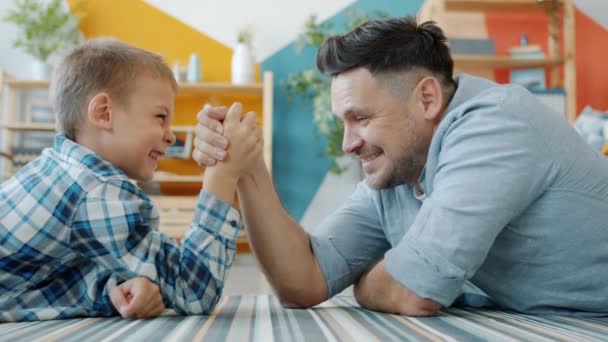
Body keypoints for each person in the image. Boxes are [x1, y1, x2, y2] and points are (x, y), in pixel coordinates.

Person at [193, 16, 608, 316]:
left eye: (362, 118)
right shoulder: (396, 171)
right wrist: (246, 170)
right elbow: (304, 281)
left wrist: (369, 280)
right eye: (344, 122)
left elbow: (414, 292)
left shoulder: (496, 124)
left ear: (426, 99)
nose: (348, 143)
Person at [0, 38, 262, 321]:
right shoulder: (98, 190)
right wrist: (222, 174)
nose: (171, 135)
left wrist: (114, 288)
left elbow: (34, 288)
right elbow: (193, 289)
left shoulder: (57, 168)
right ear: (104, 113)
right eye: (160, 117)